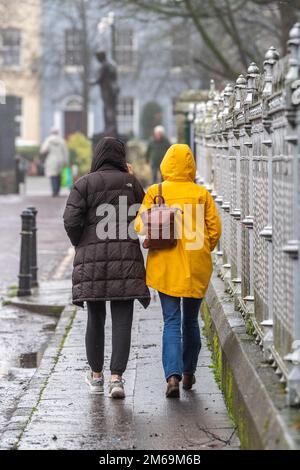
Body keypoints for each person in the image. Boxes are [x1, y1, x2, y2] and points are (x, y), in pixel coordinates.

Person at [63, 137, 150, 399]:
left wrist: (81, 242)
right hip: (126, 261)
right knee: (123, 320)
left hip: (93, 263)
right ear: (121, 157)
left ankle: (97, 378)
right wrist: (132, 179)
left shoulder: (84, 184)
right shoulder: (130, 184)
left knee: (95, 318)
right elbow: (144, 215)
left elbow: (70, 220)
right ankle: (117, 379)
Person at [135, 144, 221, 398]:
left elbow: (140, 225)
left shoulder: (156, 191)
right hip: (195, 266)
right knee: (191, 321)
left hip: (165, 266)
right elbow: (215, 229)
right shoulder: (201, 193)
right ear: (191, 165)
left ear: (165, 164)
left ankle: (171, 375)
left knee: (171, 321)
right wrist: (203, 248)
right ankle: (188, 373)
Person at [90, 51, 119, 136]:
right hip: (114, 89)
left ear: (101, 57)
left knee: (108, 109)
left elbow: (98, 79)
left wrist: (90, 82)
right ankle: (112, 128)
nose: (97, 60)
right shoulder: (113, 64)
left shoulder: (105, 65)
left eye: (98, 58)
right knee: (111, 108)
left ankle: (109, 128)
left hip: (107, 90)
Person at [40, 127, 69, 197]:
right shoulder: (61, 140)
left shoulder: (48, 140)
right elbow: (65, 152)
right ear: (58, 132)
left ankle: (54, 191)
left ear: (51, 132)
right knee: (59, 175)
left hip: (51, 159)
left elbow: (43, 150)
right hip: (60, 159)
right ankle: (58, 191)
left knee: (53, 175)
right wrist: (66, 161)